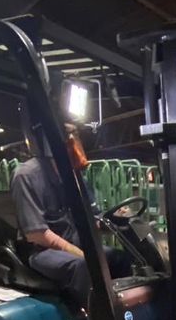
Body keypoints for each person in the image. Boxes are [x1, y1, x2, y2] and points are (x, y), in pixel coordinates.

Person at [11, 121, 131, 306]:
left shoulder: (75, 177)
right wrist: (82, 254)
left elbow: (93, 219)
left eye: (76, 137)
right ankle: (88, 318)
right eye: (70, 138)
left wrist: (114, 219)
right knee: (85, 266)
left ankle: (122, 312)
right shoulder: (26, 176)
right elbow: (37, 234)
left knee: (119, 258)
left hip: (74, 242)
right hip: (41, 251)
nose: (76, 144)